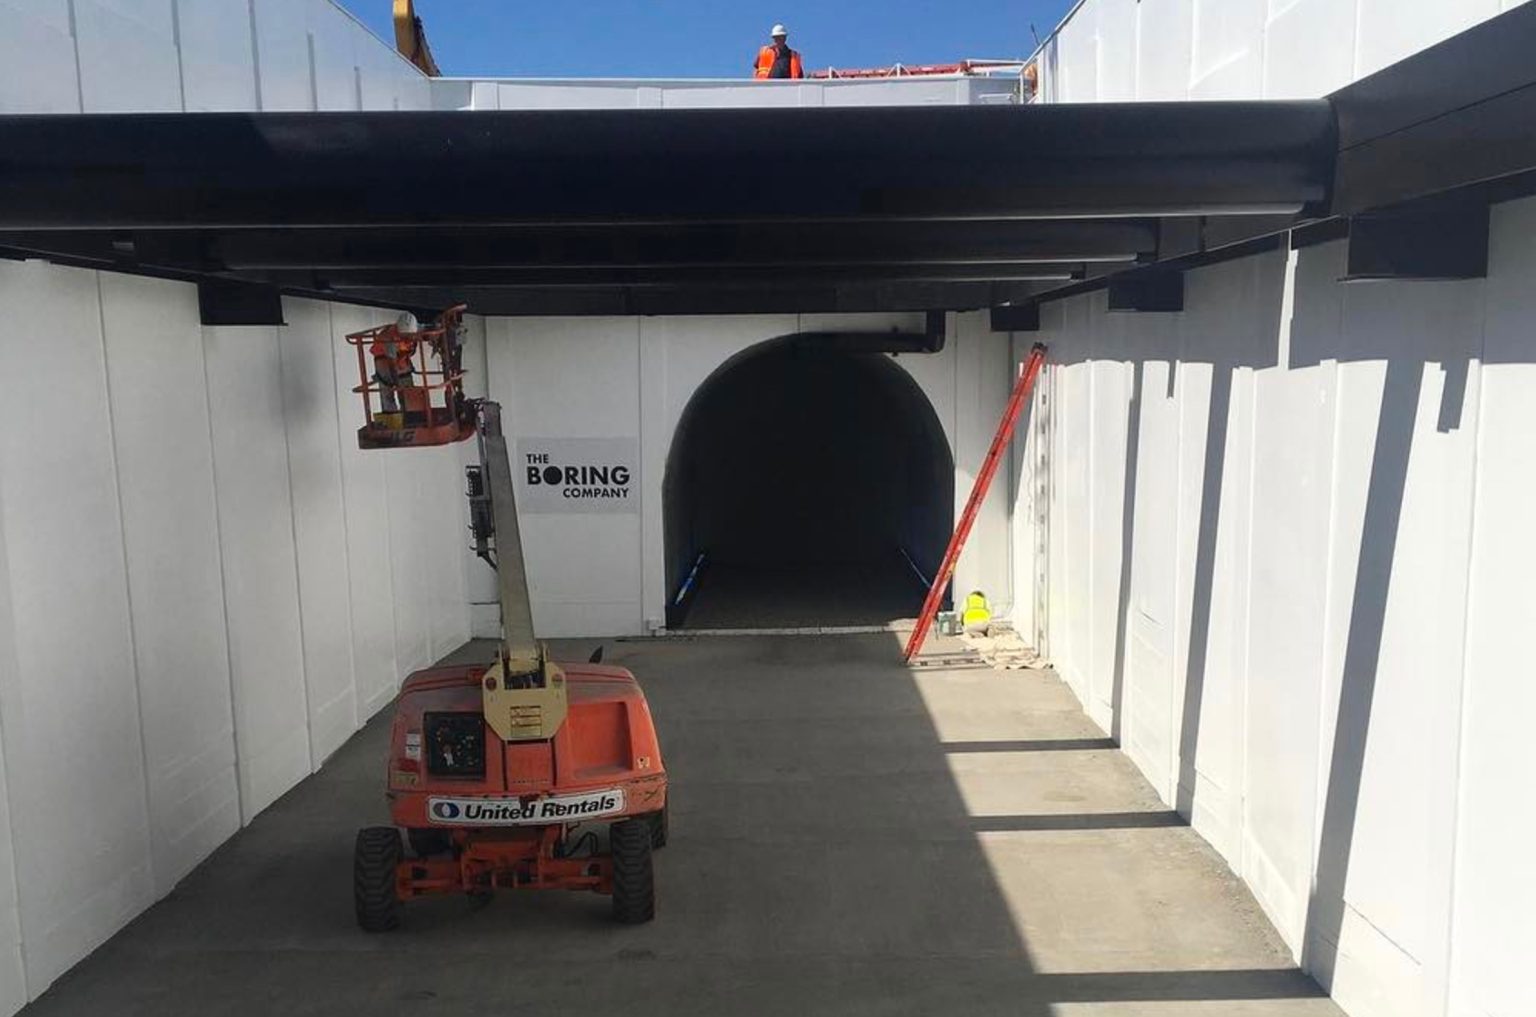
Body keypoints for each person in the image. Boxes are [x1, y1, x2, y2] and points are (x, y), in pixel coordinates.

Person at [371, 312, 420, 415]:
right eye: (405, 336)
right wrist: (397, 385)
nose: (408, 338)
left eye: (410, 336)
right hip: (384, 359)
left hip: (400, 357)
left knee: (407, 385)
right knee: (386, 386)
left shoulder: (413, 330)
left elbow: (427, 330)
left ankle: (411, 413)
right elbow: (392, 364)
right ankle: (390, 415)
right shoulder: (389, 339)